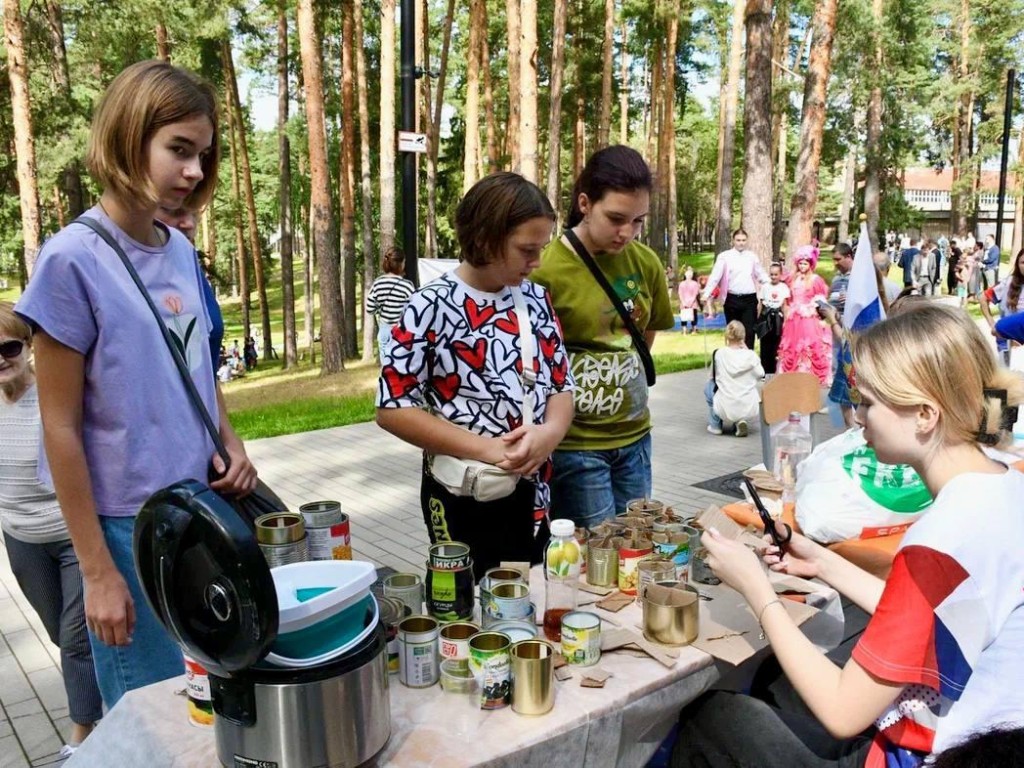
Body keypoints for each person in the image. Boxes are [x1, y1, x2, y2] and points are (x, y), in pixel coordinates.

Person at [673, 303, 1024, 768]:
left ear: (924, 414)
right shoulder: (1005, 484)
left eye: (869, 403)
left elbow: (842, 711)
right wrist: (821, 561)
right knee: (781, 681)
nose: (857, 419)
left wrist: (758, 591)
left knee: (713, 717)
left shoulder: (941, 538)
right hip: (985, 736)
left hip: (926, 753)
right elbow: (943, 616)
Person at [14, 60, 258, 708]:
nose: (196, 172)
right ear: (128, 138)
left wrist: (229, 441)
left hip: (201, 512)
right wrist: (96, 571)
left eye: (203, 155)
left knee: (210, 703)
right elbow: (59, 428)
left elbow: (197, 367)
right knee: (150, 718)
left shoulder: (179, 250)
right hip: (129, 531)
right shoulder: (70, 260)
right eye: (179, 149)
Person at [376, 172, 574, 578]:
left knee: (526, 593)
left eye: (541, 249)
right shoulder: (430, 305)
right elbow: (393, 408)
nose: (536, 262)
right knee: (468, 604)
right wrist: (489, 451)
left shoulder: (534, 298)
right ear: (485, 239)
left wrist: (548, 435)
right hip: (465, 492)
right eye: (526, 250)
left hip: (534, 491)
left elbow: (561, 384)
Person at [531, 145, 674, 529]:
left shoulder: (645, 263)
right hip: (577, 447)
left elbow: (648, 329)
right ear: (584, 203)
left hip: (635, 438)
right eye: (615, 218)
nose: (626, 232)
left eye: (638, 221)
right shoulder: (546, 271)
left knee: (637, 545)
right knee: (593, 555)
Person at [0, 304, 102, 757]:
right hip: (21, 538)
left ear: (27, 347)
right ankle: (122, 695)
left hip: (71, 535)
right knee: (64, 637)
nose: (2, 358)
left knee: (77, 637)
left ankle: (83, 737)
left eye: (9, 347)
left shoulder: (52, 396)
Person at [154, 205, 222, 377]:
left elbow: (204, 373)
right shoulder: (116, 271)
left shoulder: (188, 265)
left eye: (194, 213)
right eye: (173, 210)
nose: (189, 224)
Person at [703, 228, 769, 349]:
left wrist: (771, 286)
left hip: (749, 299)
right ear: (733, 240)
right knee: (733, 331)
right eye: (738, 240)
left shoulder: (752, 257)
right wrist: (706, 293)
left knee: (749, 332)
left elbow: (761, 274)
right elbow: (715, 276)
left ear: (747, 241)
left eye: (743, 240)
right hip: (731, 299)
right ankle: (733, 358)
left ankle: (747, 358)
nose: (741, 243)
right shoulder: (724, 256)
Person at [777, 244, 832, 385]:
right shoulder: (793, 279)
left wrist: (814, 307)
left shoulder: (815, 279)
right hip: (793, 316)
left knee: (808, 343)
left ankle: (807, 371)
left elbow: (820, 298)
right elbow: (788, 298)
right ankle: (791, 373)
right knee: (791, 344)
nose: (802, 266)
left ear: (810, 264)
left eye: (805, 263)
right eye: (800, 263)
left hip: (808, 316)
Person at [705, 320, 764, 437]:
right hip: (749, 405)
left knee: (709, 387)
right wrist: (748, 351)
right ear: (743, 336)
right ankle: (739, 421)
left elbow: (712, 376)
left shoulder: (719, 354)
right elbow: (760, 374)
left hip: (724, 404)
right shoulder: (750, 355)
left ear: (727, 335)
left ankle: (715, 425)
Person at [365, 246, 415, 359]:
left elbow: (370, 308)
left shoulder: (378, 283)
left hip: (385, 331)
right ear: (401, 264)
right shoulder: (407, 285)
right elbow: (414, 309)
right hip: (402, 331)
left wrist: (381, 308)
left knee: (386, 367)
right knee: (402, 365)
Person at [980, 248, 1024, 338]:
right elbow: (983, 298)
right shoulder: (1008, 283)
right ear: (1018, 265)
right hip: (1010, 343)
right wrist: (992, 324)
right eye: (1023, 262)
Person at [756, 262, 789, 374]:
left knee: (776, 344)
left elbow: (784, 305)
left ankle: (775, 370)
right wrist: (758, 319)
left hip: (777, 319)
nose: (774, 277)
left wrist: (786, 320)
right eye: (772, 274)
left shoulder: (783, 287)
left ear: (780, 275)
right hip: (766, 318)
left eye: (776, 274)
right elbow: (760, 304)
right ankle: (765, 370)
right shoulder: (765, 287)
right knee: (765, 345)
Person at [828, 243, 854, 319]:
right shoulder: (836, 277)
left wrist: (851, 299)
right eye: (834, 260)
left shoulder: (859, 275)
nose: (835, 263)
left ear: (848, 257)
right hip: (836, 323)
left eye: (838, 259)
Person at [677, 266, 701, 334]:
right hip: (693, 304)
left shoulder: (681, 284)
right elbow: (695, 294)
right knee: (694, 317)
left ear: (685, 275)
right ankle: (694, 330)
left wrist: (683, 302)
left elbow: (680, 294)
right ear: (692, 276)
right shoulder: (695, 283)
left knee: (683, 317)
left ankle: (684, 331)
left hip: (683, 303)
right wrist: (691, 302)